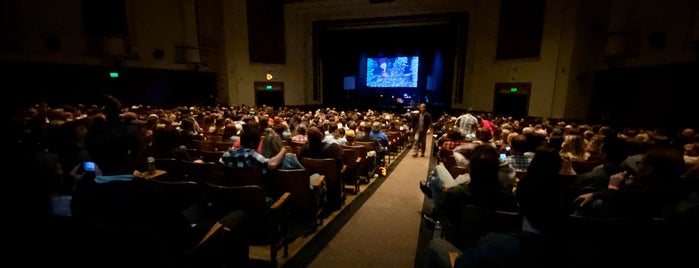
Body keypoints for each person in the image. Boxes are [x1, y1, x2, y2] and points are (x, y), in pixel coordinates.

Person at [428, 144, 571, 268]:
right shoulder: (508, 199)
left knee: (436, 244)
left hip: (463, 245)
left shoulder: (456, 194)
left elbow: (450, 219)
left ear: (471, 169)